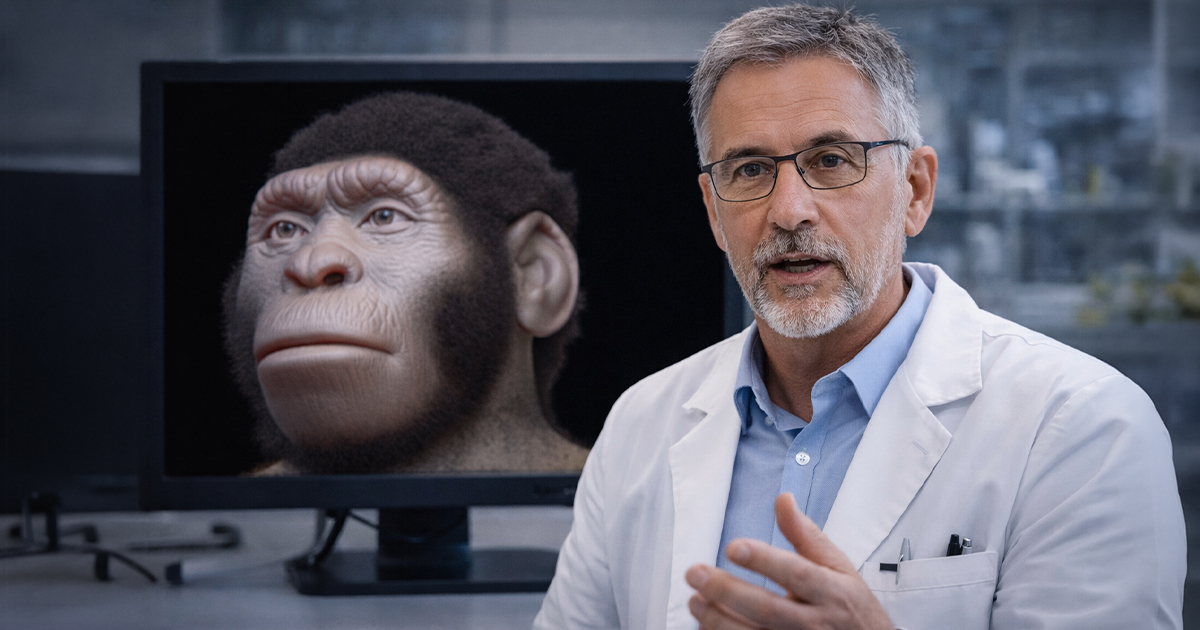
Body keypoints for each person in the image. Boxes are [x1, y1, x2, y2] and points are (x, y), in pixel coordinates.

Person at [534, 5, 1185, 629]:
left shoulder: (1084, 427)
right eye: (751, 169)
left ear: (915, 191)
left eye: (832, 160)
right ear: (712, 211)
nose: (789, 210)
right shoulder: (642, 424)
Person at [222, 92, 589, 475]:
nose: (309, 261)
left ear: (533, 276)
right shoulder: (219, 522)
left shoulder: (632, 507)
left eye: (384, 217)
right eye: (285, 229)